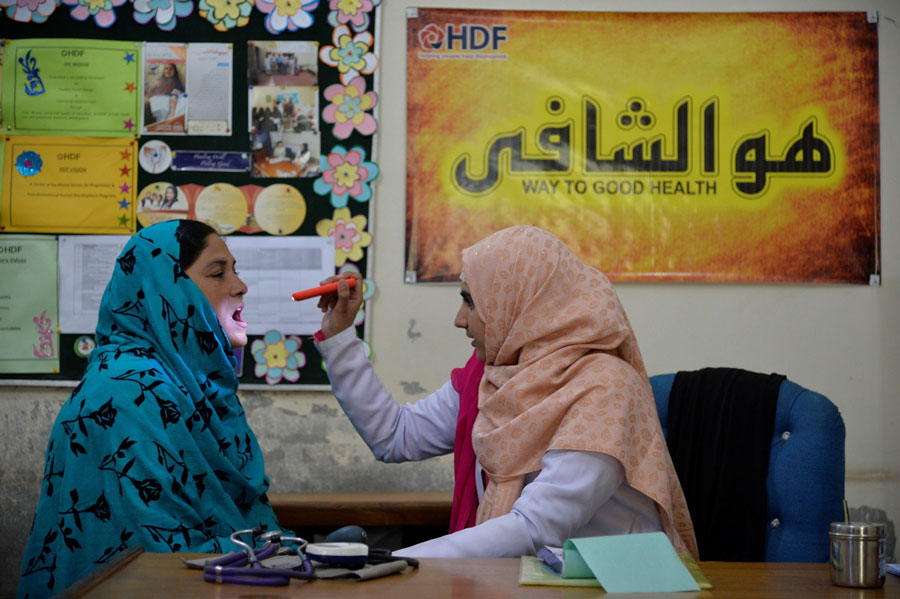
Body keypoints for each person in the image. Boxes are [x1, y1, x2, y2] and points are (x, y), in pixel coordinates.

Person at [314, 225, 698, 558]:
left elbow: (536, 528)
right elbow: (395, 436)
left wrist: (395, 561)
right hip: (529, 580)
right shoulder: (493, 377)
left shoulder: (606, 388)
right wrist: (340, 336)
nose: (459, 320)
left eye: (470, 302)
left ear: (521, 303)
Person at [17, 220, 282, 597]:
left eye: (235, 271)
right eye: (218, 273)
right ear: (166, 290)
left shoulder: (188, 385)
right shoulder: (125, 394)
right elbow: (159, 554)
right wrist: (282, 556)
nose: (240, 286)